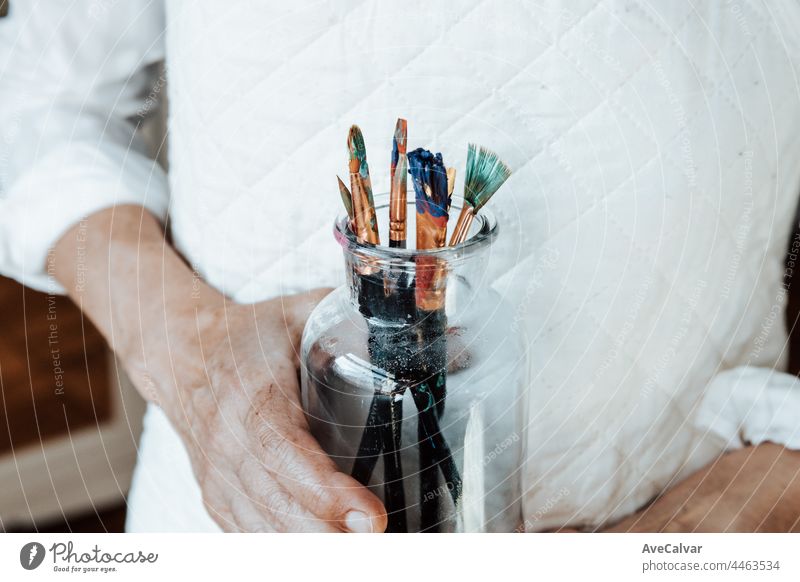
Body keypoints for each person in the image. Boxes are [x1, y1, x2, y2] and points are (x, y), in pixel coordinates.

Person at [3, 1, 800, 533]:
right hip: (239, 530)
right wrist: (195, 358)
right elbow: (39, 106)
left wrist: (761, 499)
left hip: (719, 503)